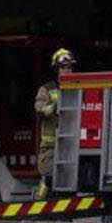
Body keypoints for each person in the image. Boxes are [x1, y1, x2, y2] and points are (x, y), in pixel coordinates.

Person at [34, 48, 74, 198]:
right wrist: (55, 106)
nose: (67, 71)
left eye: (70, 67)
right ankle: (39, 207)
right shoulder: (47, 90)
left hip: (69, 144)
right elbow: (39, 111)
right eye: (64, 67)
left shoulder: (76, 87)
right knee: (48, 179)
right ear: (56, 70)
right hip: (51, 146)